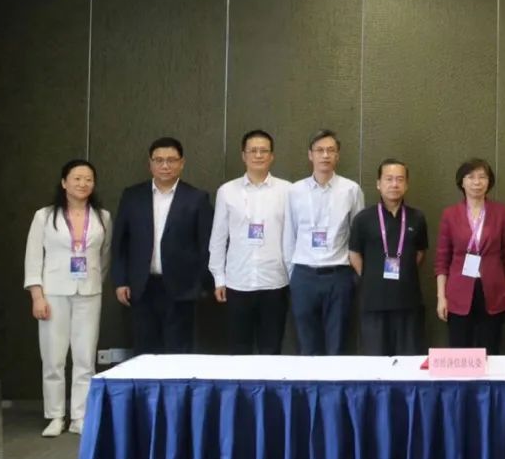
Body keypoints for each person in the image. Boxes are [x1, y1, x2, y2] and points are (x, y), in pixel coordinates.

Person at [23, 160, 112, 437]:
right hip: (54, 292)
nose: (82, 184)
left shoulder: (103, 217)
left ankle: (80, 416)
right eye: (76, 178)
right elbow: (33, 257)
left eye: (88, 179)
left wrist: (95, 280)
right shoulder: (44, 216)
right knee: (53, 358)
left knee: (85, 358)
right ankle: (55, 415)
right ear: (64, 182)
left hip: (89, 292)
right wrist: (37, 296)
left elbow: (105, 257)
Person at [112, 137, 212, 355]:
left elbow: (206, 245)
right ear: (150, 164)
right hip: (141, 287)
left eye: (171, 160)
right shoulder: (132, 196)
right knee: (144, 353)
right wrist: (120, 281)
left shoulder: (197, 198)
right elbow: (120, 243)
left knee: (178, 353)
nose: (165, 166)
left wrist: (199, 285)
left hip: (181, 289)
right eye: (159, 160)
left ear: (182, 163)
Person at [283, 129, 365, 356]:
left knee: (337, 345)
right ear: (310, 155)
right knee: (306, 345)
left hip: (339, 276)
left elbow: (357, 236)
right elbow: (289, 235)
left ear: (338, 155)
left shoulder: (351, 190)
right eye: (319, 150)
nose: (325, 155)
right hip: (304, 276)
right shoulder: (294, 191)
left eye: (331, 150)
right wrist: (292, 274)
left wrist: (353, 276)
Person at [209, 130, 291, 355]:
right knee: (238, 350)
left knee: (271, 349)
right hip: (237, 282)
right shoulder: (227, 191)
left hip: (275, 282)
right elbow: (218, 238)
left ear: (272, 156)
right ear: (243, 156)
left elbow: (293, 237)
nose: (258, 155)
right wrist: (219, 278)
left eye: (264, 150)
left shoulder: (287, 190)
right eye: (253, 150)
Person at [434, 158, 505, 353]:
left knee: (490, 350)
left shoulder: (501, 212)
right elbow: (442, 259)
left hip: (493, 291)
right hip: (458, 292)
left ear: (489, 182)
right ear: (461, 182)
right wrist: (441, 297)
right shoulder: (450, 214)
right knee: (460, 352)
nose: (477, 182)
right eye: (470, 177)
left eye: (482, 177)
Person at [349, 159, 429, 356]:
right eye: (389, 179)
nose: (394, 184)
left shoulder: (417, 218)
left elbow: (420, 253)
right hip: (374, 301)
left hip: (408, 301)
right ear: (378, 183)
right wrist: (371, 276)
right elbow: (354, 254)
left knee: (408, 359)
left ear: (406, 184)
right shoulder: (363, 218)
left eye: (400, 179)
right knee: (376, 361)